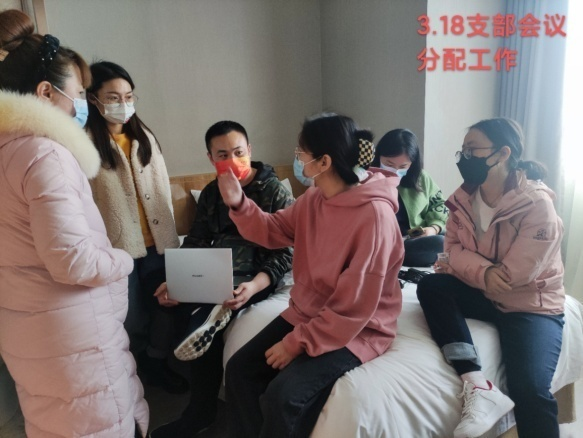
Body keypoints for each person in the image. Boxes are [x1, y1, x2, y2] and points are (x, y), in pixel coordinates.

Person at [0, 9, 148, 437]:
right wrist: (122, 260)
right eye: (80, 93)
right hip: (71, 333)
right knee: (98, 422)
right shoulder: (43, 154)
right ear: (46, 92)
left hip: (31, 324)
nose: (83, 103)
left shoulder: (8, 149)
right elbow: (73, 261)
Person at [219, 113, 404, 437]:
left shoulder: (375, 216)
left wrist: (297, 342)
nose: (297, 157)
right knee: (239, 370)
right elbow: (275, 230)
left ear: (324, 162)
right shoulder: (316, 197)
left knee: (283, 396)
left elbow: (353, 306)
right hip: (310, 312)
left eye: (301, 151)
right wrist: (239, 204)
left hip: (359, 327)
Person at [416, 118, 565, 438]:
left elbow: (512, 276)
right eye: (463, 150)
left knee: (529, 389)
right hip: (485, 293)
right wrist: (484, 271)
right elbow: (448, 253)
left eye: (473, 150)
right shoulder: (461, 200)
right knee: (431, 285)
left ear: (502, 153)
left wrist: (473, 269)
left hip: (529, 306)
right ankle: (476, 383)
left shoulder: (536, 203)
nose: (464, 158)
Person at [149, 120, 294, 437]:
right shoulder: (212, 192)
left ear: (250, 150)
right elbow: (198, 240)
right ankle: (204, 319)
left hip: (256, 271)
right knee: (166, 296)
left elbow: (286, 252)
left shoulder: (273, 191)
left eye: (239, 152)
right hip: (215, 267)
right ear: (211, 158)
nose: (233, 160)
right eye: (223, 155)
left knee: (211, 313)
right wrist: (177, 278)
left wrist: (254, 286)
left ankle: (200, 411)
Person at [85, 61, 186, 394]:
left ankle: (156, 364)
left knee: (164, 309)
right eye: (113, 97)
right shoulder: (85, 144)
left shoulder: (144, 138)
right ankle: (132, 373)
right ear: (93, 99)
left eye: (128, 96)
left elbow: (162, 190)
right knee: (131, 316)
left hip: (158, 244)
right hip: (118, 248)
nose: (123, 103)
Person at [371, 128, 448, 266]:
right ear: (379, 156)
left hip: (412, 236)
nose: (396, 171)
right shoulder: (367, 177)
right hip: (383, 242)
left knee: (451, 237)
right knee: (440, 244)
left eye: (403, 166)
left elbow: (439, 204)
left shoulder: (421, 177)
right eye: (389, 164)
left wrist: (433, 228)